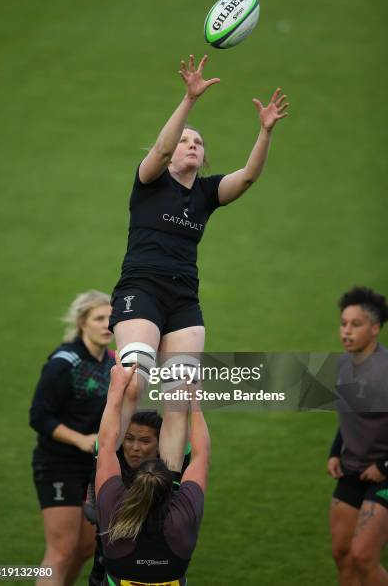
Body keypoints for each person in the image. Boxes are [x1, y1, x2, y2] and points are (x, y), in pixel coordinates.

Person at [109, 53, 289, 467]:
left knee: (180, 398)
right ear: (172, 155)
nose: (192, 145)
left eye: (199, 142)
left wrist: (265, 132)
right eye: (186, 141)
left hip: (183, 301)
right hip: (142, 290)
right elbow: (160, 145)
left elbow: (247, 177)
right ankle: (104, 475)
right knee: (132, 383)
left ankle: (167, 485)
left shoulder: (205, 194)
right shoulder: (150, 181)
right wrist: (189, 100)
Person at [95, 354, 210, 586]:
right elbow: (200, 456)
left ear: (132, 486)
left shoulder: (114, 514)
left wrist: (117, 389)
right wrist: (195, 401)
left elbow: (106, 446)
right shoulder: (180, 520)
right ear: (171, 488)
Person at [29, 290, 114, 586]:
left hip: (92, 466)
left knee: (86, 548)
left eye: (111, 318)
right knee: (61, 551)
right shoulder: (64, 364)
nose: (107, 325)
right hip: (58, 464)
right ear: (82, 323)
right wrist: (80, 440)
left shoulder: (112, 362)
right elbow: (39, 417)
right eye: (99, 318)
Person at [86, 411, 191, 586]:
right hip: (105, 572)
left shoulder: (169, 474)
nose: (135, 447)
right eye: (129, 438)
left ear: (160, 444)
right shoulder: (111, 469)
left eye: (145, 441)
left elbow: (178, 422)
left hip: (159, 576)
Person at [327, 287, 388, 586]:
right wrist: (335, 451)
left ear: (375, 328)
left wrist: (384, 465)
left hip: (384, 476)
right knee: (343, 555)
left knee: (364, 556)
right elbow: (348, 415)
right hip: (352, 470)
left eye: (356, 324)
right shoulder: (343, 366)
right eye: (343, 323)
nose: (347, 331)